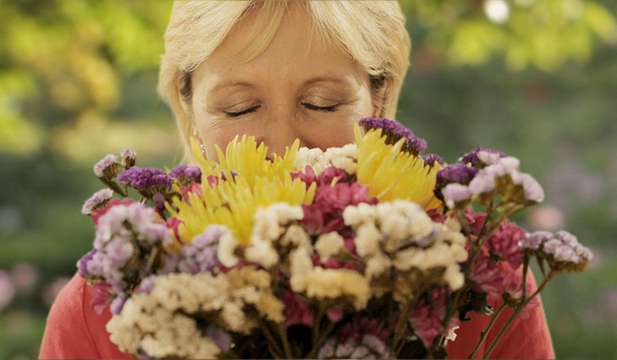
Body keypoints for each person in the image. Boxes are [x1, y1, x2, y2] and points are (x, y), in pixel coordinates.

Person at [39, 1, 555, 359]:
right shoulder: (108, 305)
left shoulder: (478, 282)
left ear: (378, 102)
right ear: (190, 109)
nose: (285, 145)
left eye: (321, 103)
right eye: (240, 108)